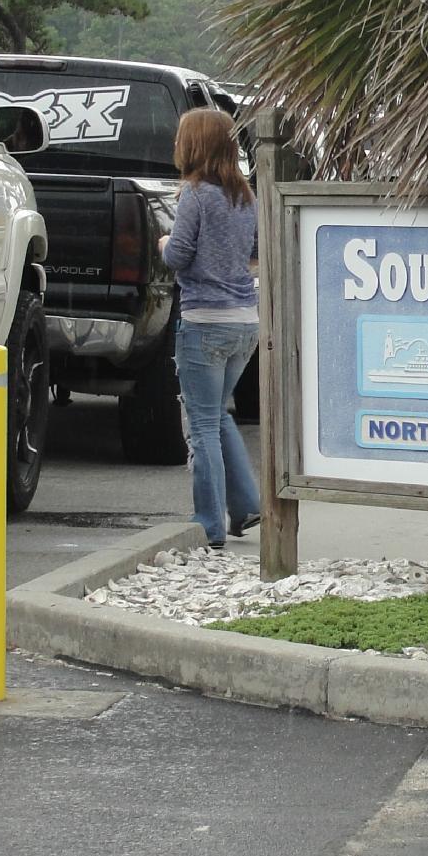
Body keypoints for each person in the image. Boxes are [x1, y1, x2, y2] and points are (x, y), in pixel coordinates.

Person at [159, 108, 263, 547]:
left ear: (194, 145)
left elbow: (177, 256)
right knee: (219, 416)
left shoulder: (195, 194)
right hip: (245, 322)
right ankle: (247, 507)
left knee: (200, 424)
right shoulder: (246, 196)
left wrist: (164, 242)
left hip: (203, 321)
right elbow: (256, 255)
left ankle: (209, 524)